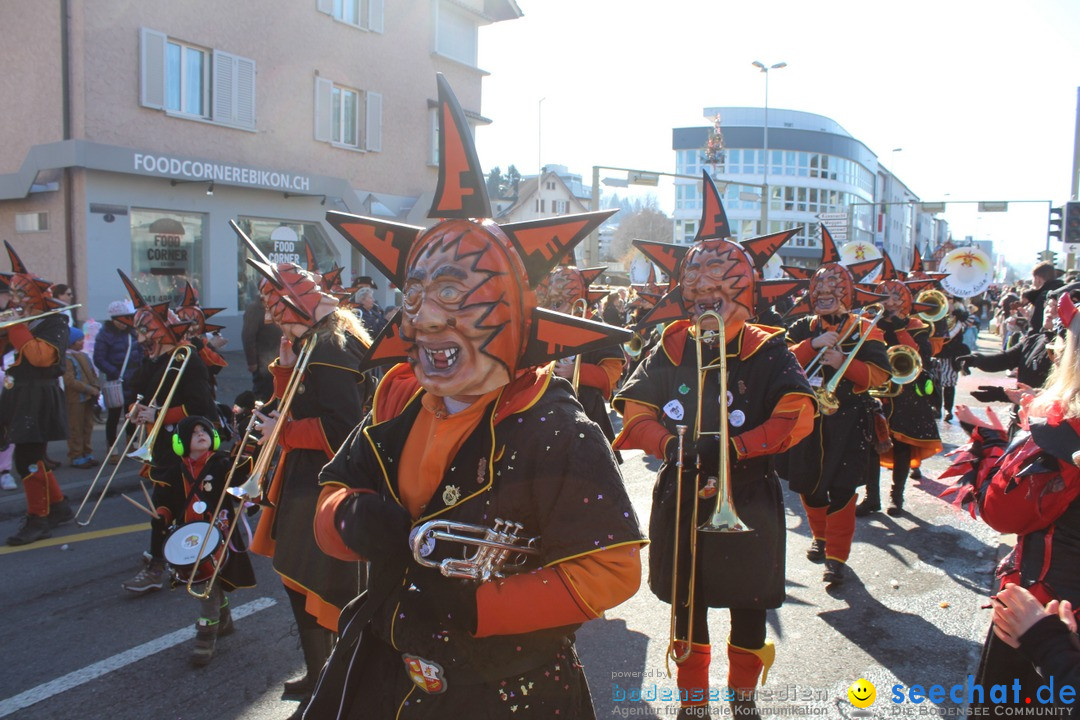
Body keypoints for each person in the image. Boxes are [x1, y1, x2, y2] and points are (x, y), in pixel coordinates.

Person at [307, 73, 642, 720]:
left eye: (454, 294)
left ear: (515, 312)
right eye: (415, 297)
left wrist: (474, 607)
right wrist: (347, 518)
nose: (427, 318)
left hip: (507, 691)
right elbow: (331, 493)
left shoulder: (555, 427)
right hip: (384, 671)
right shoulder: (403, 402)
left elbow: (609, 572)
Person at [613, 173, 812, 719]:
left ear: (745, 293)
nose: (709, 300)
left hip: (747, 495)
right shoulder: (670, 344)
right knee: (687, 606)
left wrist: (738, 450)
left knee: (750, 605)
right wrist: (674, 449)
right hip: (681, 494)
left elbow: (798, 415)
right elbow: (635, 414)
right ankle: (693, 702)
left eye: (722, 291)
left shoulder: (769, 350)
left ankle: (743, 697)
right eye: (699, 291)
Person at [235, 226, 372, 718]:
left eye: (279, 311)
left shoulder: (333, 348)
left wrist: (285, 430)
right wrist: (283, 374)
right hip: (305, 480)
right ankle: (320, 675)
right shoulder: (315, 341)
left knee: (319, 582)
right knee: (298, 580)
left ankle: (333, 682)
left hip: (326, 484)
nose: (274, 320)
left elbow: (346, 428)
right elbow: (301, 402)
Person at [943, 286, 1080, 711]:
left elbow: (1001, 510)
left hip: (1045, 615)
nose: (1054, 347)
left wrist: (989, 443)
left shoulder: (1063, 434)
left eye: (1064, 339)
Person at [782, 229, 890, 584]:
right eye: (819, 291)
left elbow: (880, 375)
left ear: (846, 294)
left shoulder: (865, 330)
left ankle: (837, 557)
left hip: (850, 419)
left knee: (843, 487)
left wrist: (844, 360)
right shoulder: (801, 326)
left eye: (832, 291)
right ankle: (820, 536)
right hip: (807, 418)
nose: (824, 296)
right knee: (809, 485)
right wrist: (811, 345)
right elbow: (779, 363)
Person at [115, 270, 217, 593]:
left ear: (161, 334)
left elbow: (201, 406)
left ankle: (164, 564)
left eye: (148, 336)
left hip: (187, 444)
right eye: (140, 336)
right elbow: (138, 391)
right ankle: (170, 558)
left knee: (179, 505)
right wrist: (135, 410)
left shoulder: (188, 359)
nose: (143, 342)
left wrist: (158, 413)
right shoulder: (151, 361)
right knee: (165, 503)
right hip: (160, 443)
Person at [148, 415, 256, 666]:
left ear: (214, 437)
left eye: (204, 430)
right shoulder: (174, 471)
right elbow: (164, 501)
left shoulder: (221, 464)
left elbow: (242, 482)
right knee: (209, 579)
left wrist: (248, 449)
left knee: (208, 581)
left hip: (218, 532)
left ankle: (206, 635)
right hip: (189, 534)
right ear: (181, 442)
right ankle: (224, 617)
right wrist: (161, 516)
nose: (200, 434)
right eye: (194, 432)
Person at [0, 244, 73, 545]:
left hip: (39, 396)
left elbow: (41, 358)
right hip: (21, 394)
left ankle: (37, 519)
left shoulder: (55, 321)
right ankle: (58, 507)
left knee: (28, 459)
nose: (15, 301)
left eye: (21, 296)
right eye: (13, 295)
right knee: (34, 457)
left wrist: (14, 326)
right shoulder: (27, 323)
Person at [859, 264, 942, 517]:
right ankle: (871, 497)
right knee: (873, 442)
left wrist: (898, 326)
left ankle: (897, 497)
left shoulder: (915, 324)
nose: (889, 300)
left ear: (905, 300)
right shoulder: (867, 321)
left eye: (896, 296)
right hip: (876, 389)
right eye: (884, 295)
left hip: (906, 393)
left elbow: (921, 355)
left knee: (904, 445)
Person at [536, 262, 625, 446]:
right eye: (553, 302)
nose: (554, 307)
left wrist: (575, 371)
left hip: (587, 411)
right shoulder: (547, 326)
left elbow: (613, 372)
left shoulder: (597, 327)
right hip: (548, 409)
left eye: (559, 302)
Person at [93, 299, 144, 463]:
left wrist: (142, 370)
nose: (124, 323)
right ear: (113, 319)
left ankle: (133, 443)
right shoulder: (104, 335)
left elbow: (140, 352)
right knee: (113, 417)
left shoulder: (132, 333)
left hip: (134, 379)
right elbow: (99, 358)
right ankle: (112, 449)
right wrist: (115, 372)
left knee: (132, 413)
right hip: (116, 381)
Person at [63, 326, 100, 468]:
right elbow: (69, 381)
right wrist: (90, 389)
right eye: (79, 340)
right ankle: (76, 455)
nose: (82, 342)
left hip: (88, 398)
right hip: (75, 398)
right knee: (75, 427)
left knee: (87, 426)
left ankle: (87, 452)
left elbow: (92, 373)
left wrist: (96, 387)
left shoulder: (83, 356)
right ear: (71, 342)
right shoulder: (66, 358)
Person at [241, 297, 282, 402]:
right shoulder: (255, 309)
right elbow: (248, 336)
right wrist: (252, 362)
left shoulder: (277, 305)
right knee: (264, 397)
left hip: (278, 359)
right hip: (264, 363)